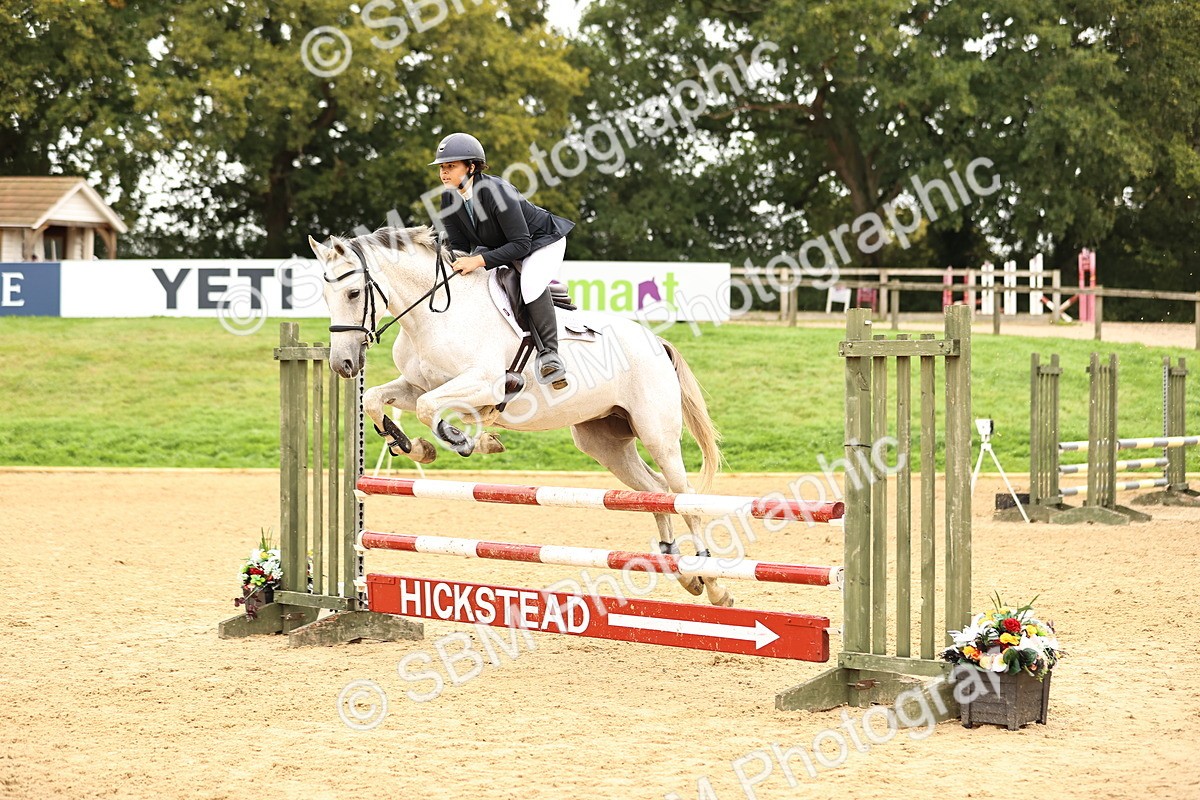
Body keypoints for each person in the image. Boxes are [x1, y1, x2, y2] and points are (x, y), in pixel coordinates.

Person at [431, 132, 574, 388]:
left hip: (541, 242)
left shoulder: (497, 191)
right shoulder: (448, 198)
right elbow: (461, 247)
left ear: (471, 167)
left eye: (451, 166)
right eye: (442, 167)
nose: (444, 173)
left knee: (529, 283)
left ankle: (550, 356)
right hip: (503, 244)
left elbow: (521, 244)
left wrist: (478, 261)